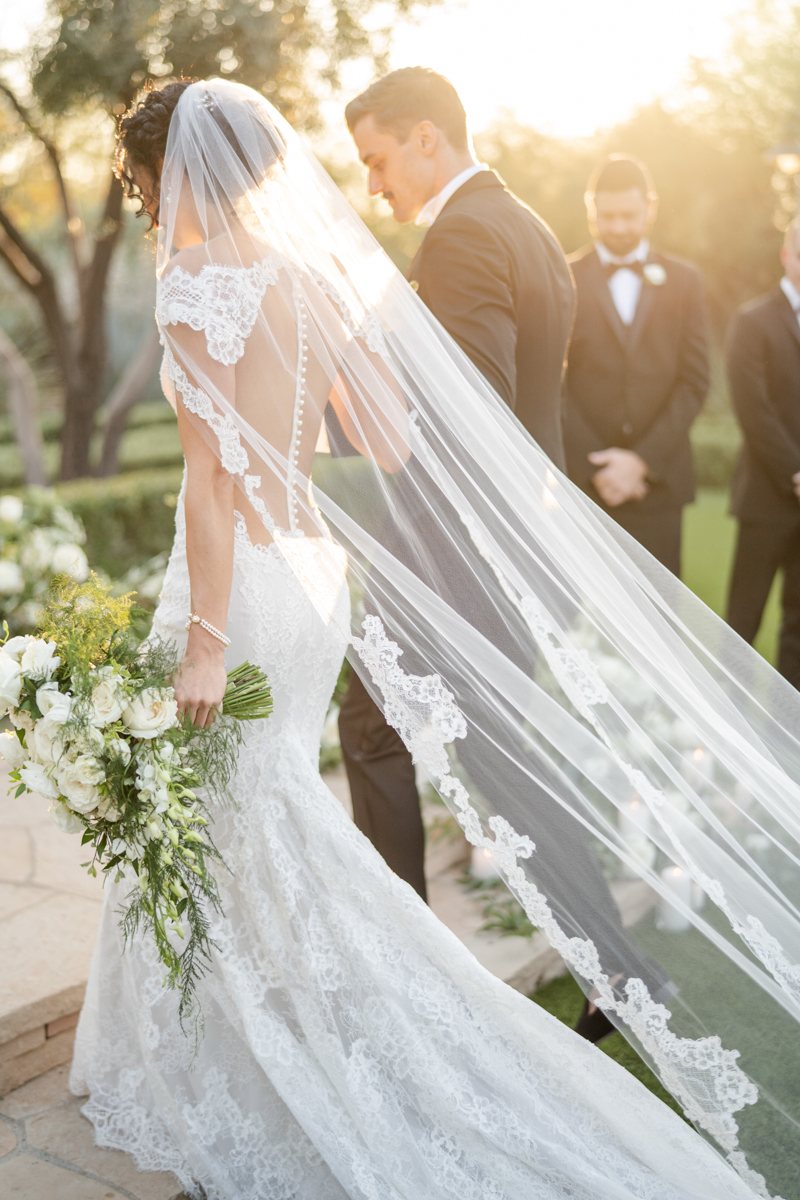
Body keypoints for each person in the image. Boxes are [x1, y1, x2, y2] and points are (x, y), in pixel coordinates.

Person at [70, 78, 800, 1199]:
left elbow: (209, 488)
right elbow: (399, 441)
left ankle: (263, 1038)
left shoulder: (193, 283)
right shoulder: (318, 279)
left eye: (150, 177)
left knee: (245, 817)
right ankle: (268, 1023)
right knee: (262, 813)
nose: (155, 199)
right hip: (313, 576)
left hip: (243, 590)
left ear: (175, 171)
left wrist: (206, 636)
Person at [337, 65, 573, 902]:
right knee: (502, 765)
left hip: (464, 549)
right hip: (517, 539)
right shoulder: (526, 224)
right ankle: (621, 977)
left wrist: (348, 397)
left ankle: (401, 949)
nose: (372, 185)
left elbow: (473, 412)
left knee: (372, 730)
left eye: (378, 160)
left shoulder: (463, 236)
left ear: (425, 138)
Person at [563, 154, 709, 575]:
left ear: (651, 207)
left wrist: (640, 462)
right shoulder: (563, 276)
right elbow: (554, 381)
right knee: (564, 625)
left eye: (629, 215)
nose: (619, 227)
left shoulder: (686, 281)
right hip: (581, 487)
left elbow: (694, 381)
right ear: (591, 211)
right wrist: (596, 468)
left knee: (657, 631)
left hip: (657, 487)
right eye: (607, 216)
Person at [726, 217, 800, 689]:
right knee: (740, 625)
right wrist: (796, 470)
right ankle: (721, 741)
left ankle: (790, 743)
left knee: (797, 629)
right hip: (765, 501)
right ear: (786, 254)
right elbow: (753, 410)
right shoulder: (752, 321)